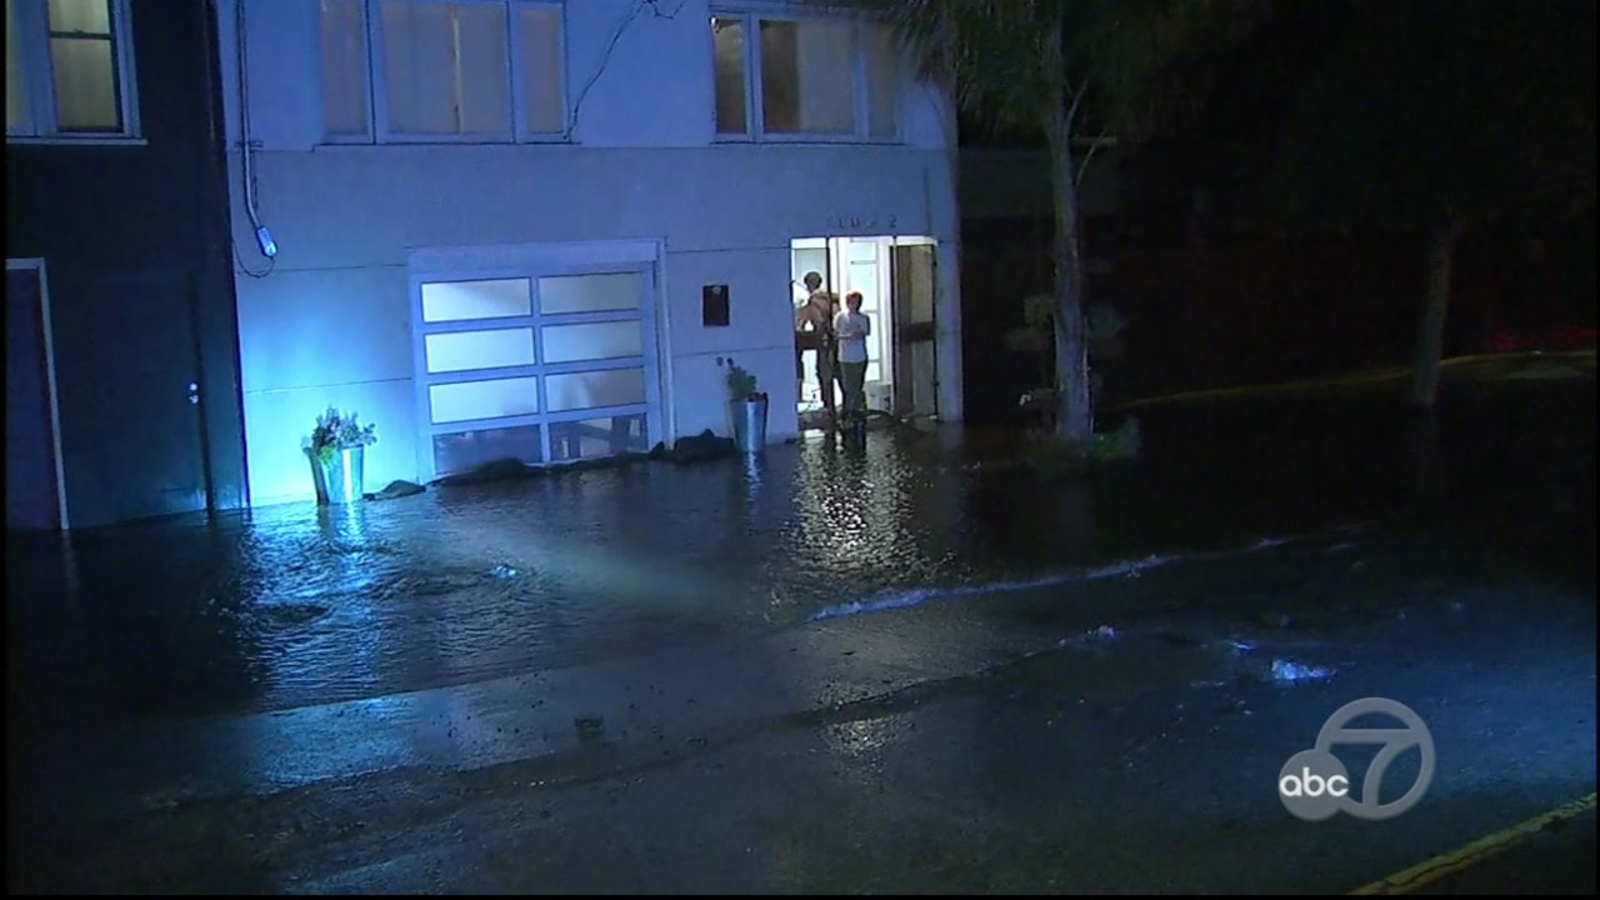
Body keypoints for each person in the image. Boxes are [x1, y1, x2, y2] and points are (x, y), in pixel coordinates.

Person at [794, 271, 839, 421]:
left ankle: (828, 407)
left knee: (823, 371)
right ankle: (845, 407)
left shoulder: (813, 300)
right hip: (837, 339)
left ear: (808, 285)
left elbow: (814, 320)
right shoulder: (832, 297)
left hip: (823, 338)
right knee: (837, 372)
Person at [834, 290, 872, 422]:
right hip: (845, 356)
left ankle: (856, 409)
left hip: (859, 356)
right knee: (847, 384)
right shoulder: (840, 317)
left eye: (855, 302)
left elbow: (863, 333)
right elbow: (836, 334)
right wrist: (848, 336)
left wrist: (849, 336)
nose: (852, 305)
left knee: (857, 383)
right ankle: (847, 409)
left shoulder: (863, 318)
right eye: (850, 302)